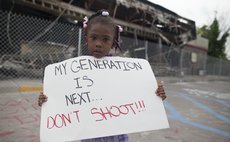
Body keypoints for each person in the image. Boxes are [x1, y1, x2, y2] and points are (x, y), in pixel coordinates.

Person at [38, 9, 166, 142]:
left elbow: (137, 93)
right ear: (86, 39)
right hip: (89, 136)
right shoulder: (74, 71)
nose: (99, 43)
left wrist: (155, 95)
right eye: (94, 38)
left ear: (113, 41)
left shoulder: (125, 70)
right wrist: (47, 101)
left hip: (118, 136)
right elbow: (61, 97)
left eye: (105, 39)